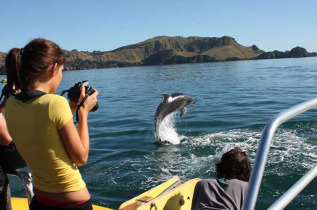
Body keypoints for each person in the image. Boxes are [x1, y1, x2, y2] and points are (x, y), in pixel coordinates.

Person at [5, 38, 98, 210]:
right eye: (61, 71)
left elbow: (44, 125)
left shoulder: (10, 104)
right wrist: (83, 112)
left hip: (40, 201)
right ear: (53, 68)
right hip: (73, 203)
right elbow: (81, 157)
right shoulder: (55, 103)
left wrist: (70, 109)